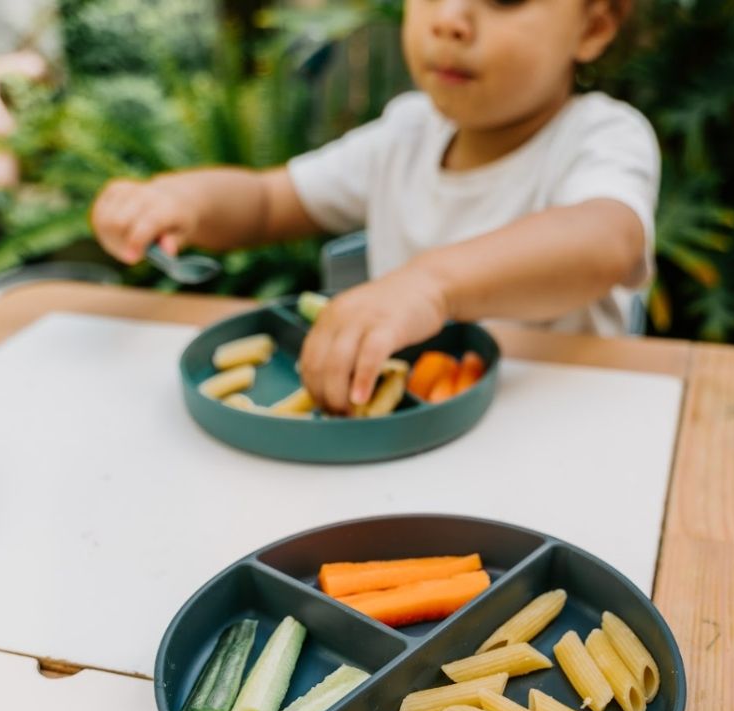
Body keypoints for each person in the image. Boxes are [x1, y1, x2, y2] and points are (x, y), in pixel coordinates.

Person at [91, 0, 659, 413]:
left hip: (565, 426)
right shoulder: (405, 134)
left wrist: (431, 285)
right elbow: (267, 201)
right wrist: (177, 200)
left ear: (594, 25)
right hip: (402, 439)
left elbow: (606, 242)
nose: (449, 19)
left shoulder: (601, 137)